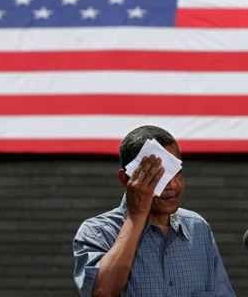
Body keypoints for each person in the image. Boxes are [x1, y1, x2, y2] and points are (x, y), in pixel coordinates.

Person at [73, 125, 236, 297]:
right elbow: (102, 291)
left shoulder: (198, 228)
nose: (173, 185)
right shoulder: (97, 232)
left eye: (177, 172)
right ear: (126, 180)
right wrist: (136, 216)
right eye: (158, 176)